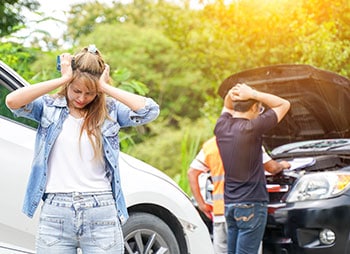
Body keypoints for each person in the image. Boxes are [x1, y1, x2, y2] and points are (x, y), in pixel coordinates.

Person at [5, 45, 160, 253]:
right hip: (56, 212)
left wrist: (105, 88)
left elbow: (149, 110)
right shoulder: (49, 108)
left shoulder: (110, 112)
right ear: (68, 84)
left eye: (90, 93)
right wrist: (62, 79)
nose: (82, 98)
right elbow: (12, 101)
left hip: (101, 212)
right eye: (76, 90)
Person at [214, 83, 290, 254]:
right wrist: (253, 93)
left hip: (230, 205)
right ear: (255, 106)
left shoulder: (221, 127)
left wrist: (234, 92)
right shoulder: (252, 128)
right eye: (259, 108)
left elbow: (227, 104)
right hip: (252, 204)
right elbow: (284, 104)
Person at [187, 136, 290, 254]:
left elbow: (192, 173)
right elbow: (272, 168)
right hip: (247, 208)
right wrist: (282, 165)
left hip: (220, 211)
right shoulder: (250, 141)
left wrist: (202, 204)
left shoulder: (211, 145)